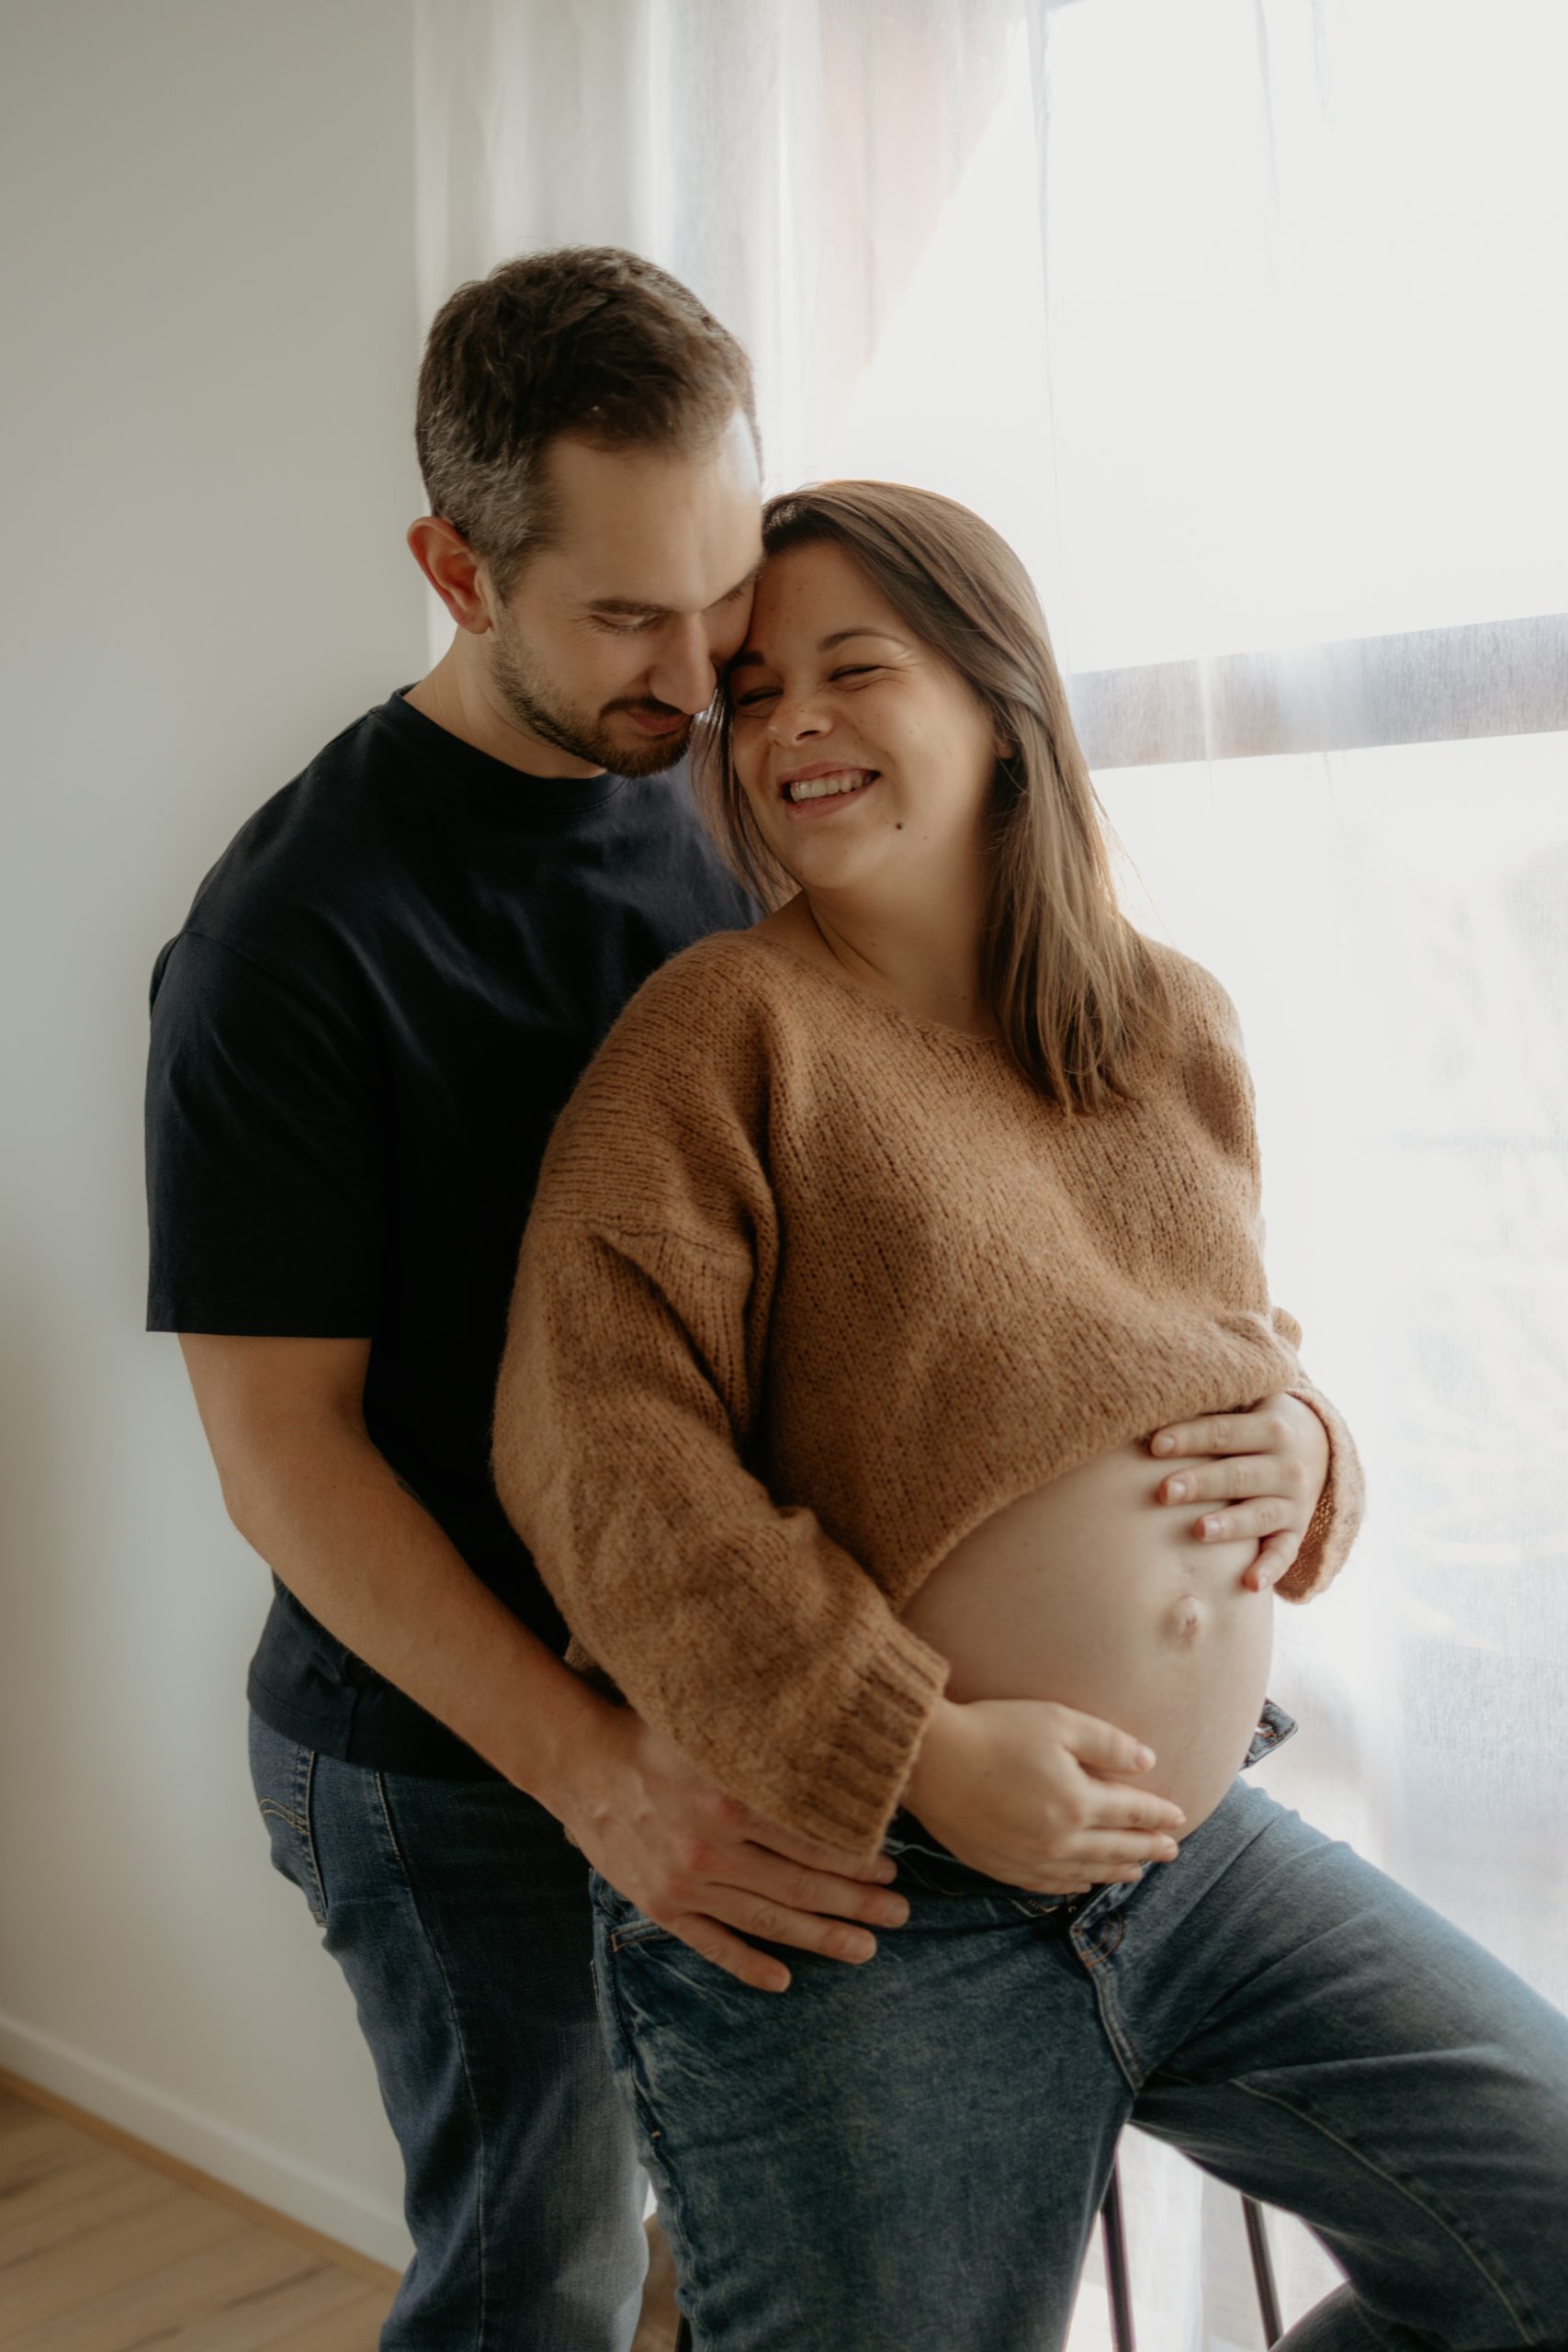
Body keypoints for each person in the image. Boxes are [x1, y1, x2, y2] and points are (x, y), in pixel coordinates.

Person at [145, 247, 1333, 2347]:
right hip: (449, 1737)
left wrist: (1281, 1430)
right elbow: (281, 1455)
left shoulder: (726, 803)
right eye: (627, 617)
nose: (706, 678)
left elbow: (975, 1204)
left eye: (723, 601)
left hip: (740, 1678)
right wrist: (596, 1765)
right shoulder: (292, 942)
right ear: (452, 565)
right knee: (542, 2277)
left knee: (745, 2270)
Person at [494, 480, 1568, 2351]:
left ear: (1000, 706)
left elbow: (1212, 1335)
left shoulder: (1162, 1021)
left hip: (1191, 1852)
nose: (787, 721)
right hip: (865, 1899)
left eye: (851, 667)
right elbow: (601, 1469)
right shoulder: (716, 1037)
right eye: (752, 690)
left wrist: (1313, 1447)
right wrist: (917, 1748)